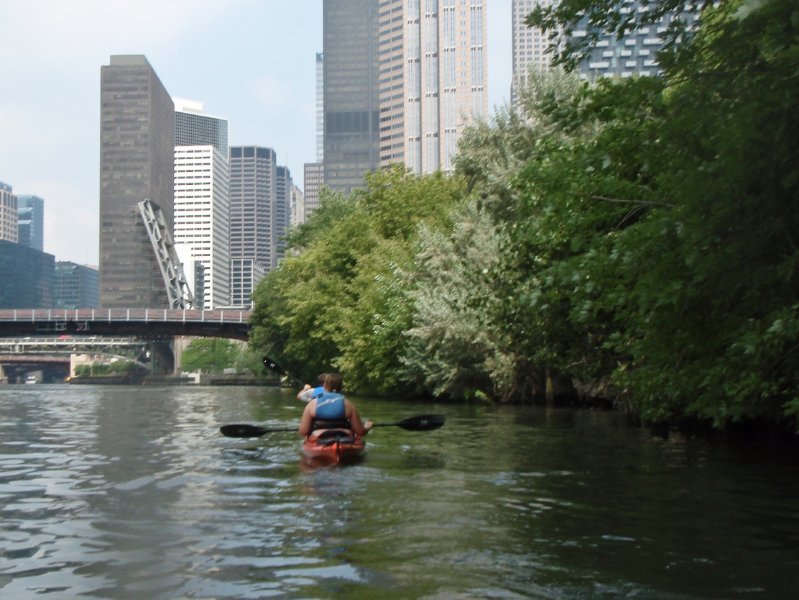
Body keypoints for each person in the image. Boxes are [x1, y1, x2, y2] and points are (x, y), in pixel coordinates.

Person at [299, 373, 373, 437]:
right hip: (344, 437)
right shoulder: (348, 404)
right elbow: (360, 432)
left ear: (324, 385)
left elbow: (303, 432)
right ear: (340, 386)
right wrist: (367, 426)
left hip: (319, 437)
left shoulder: (312, 404)